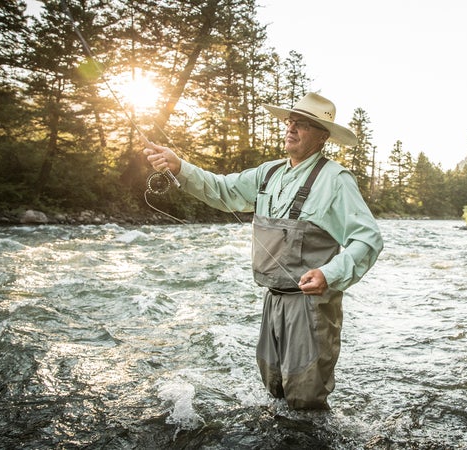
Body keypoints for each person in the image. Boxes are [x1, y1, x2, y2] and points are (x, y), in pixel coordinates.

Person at [142, 92, 383, 410]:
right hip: (273, 301)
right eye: (290, 121)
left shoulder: (337, 181)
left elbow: (368, 239)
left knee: (306, 399)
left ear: (323, 136)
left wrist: (330, 273)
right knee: (275, 390)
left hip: (312, 307)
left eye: (303, 124)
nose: (292, 128)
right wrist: (180, 167)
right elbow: (223, 190)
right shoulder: (268, 173)